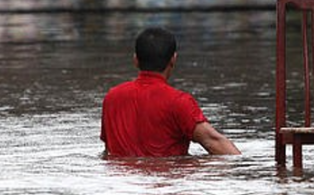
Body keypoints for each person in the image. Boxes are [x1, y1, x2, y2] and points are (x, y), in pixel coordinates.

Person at [101, 27, 241, 157]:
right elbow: (216, 143)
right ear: (173, 59)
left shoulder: (111, 98)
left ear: (135, 60)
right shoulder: (179, 102)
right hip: (167, 181)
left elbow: (108, 151)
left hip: (120, 182)